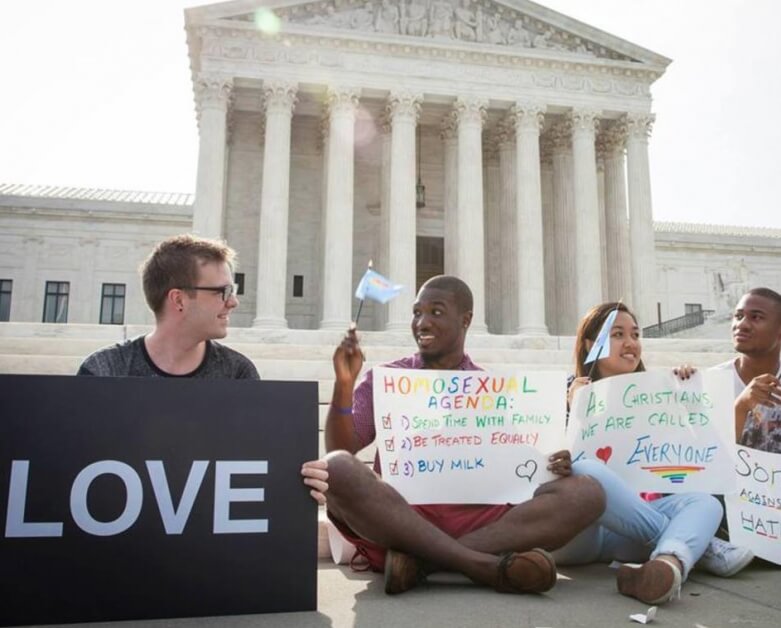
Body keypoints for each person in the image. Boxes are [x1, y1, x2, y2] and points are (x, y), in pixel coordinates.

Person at [312, 275, 606, 596]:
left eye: (436, 312)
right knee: (337, 467)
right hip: (402, 518)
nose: (422, 322)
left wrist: (552, 462)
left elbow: (519, 468)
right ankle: (482, 566)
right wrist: (343, 385)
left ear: (465, 320)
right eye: (416, 312)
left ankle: (423, 564)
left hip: (478, 520)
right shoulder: (388, 380)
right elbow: (341, 448)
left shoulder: (490, 389)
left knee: (586, 493)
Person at [559, 302, 744, 605]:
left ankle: (669, 564)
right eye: (618, 334)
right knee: (587, 472)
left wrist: (691, 403)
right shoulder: (565, 391)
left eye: (635, 334)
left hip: (628, 537)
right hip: (578, 532)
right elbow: (545, 470)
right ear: (591, 345)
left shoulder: (658, 396)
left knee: (706, 504)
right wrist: (574, 411)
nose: (631, 343)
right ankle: (700, 545)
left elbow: (706, 461)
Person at [713, 287, 781, 450]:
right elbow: (707, 455)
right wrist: (741, 405)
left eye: (756, 317)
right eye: (738, 316)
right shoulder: (711, 382)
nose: (741, 324)